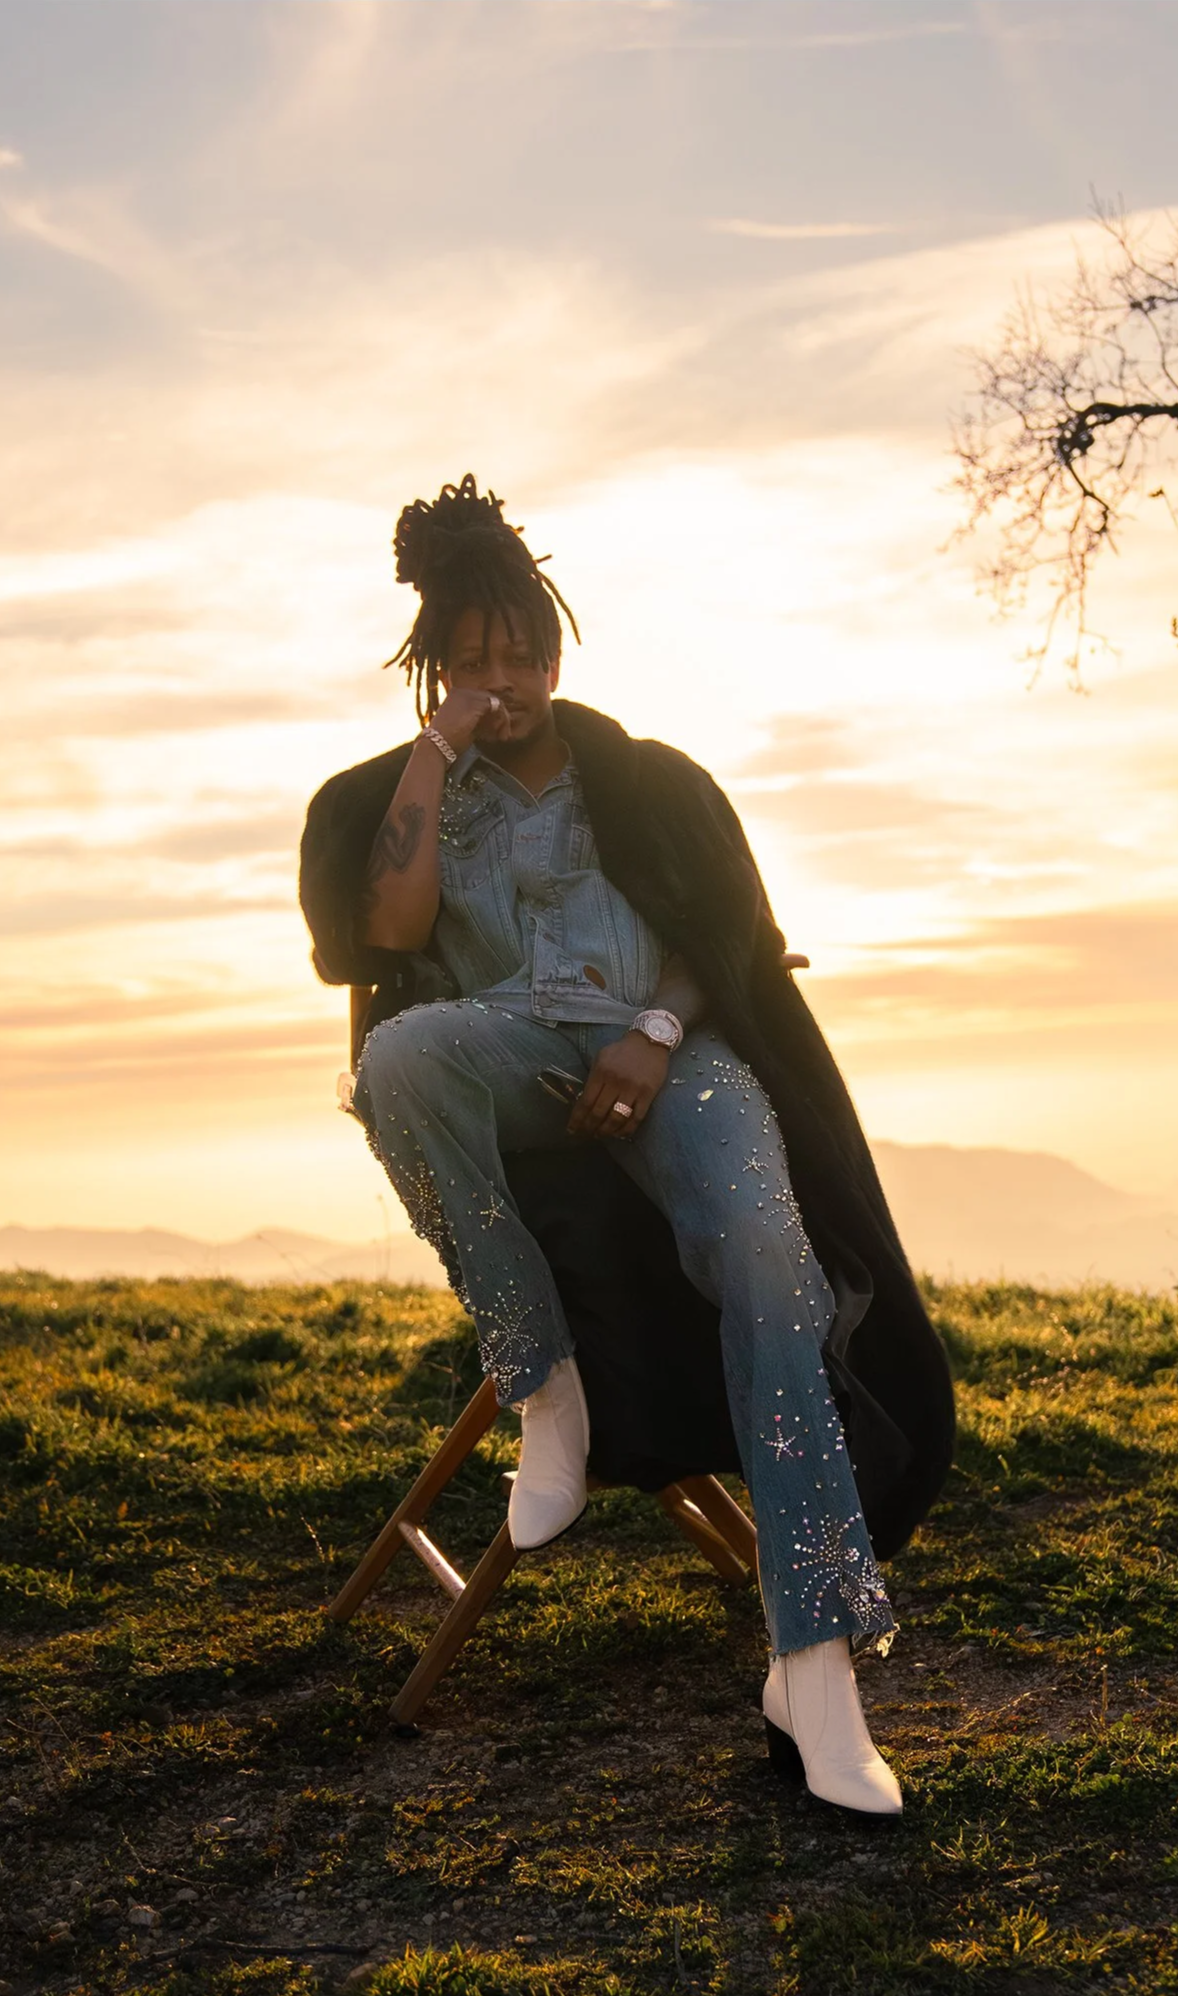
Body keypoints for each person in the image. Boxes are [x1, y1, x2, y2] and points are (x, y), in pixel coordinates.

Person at [298, 477, 954, 1819]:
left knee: (771, 1271)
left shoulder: (648, 781)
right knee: (397, 1060)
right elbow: (383, 933)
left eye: (523, 653)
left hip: (673, 1055)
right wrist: (434, 752)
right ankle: (545, 1386)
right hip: (504, 1049)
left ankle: (816, 1671)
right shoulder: (410, 793)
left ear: (557, 648)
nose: (506, 681)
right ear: (437, 666)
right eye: (473, 661)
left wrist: (652, 1035)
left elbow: (737, 955)